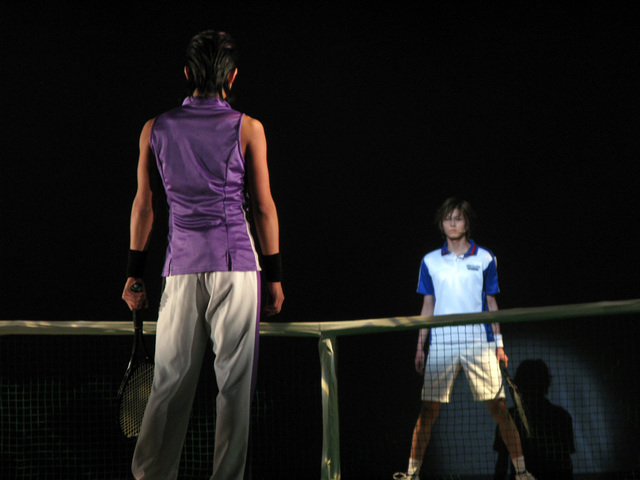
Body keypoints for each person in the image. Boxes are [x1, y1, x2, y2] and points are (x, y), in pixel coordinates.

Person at [121, 30, 284, 480]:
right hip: (237, 269)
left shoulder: (154, 128)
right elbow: (264, 207)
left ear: (187, 72)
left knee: (169, 382)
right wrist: (274, 276)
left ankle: (150, 475)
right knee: (234, 387)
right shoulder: (249, 128)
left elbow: (144, 206)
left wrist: (134, 274)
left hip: (179, 269)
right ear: (233, 77)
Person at [394, 198, 535, 480]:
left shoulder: (485, 258)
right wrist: (420, 346)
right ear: (441, 223)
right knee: (428, 411)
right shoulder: (430, 261)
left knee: (499, 408)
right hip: (441, 344)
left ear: (467, 223)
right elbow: (428, 305)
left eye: (457, 218)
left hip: (478, 342)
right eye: (447, 218)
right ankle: (411, 474)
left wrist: (499, 345)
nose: (452, 223)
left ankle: (521, 472)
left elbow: (491, 303)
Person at [493, 360, 575, 480]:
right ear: (545, 384)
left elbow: (502, 462)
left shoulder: (508, 418)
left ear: (518, 384)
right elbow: (566, 462)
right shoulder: (561, 416)